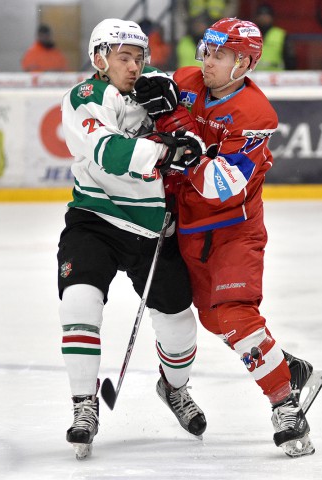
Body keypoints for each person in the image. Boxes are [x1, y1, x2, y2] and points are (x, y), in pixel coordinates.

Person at [133, 17, 322, 457]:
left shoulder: (255, 115)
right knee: (213, 319)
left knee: (236, 313)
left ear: (244, 64)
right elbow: (153, 125)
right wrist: (145, 93)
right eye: (207, 50)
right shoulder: (186, 81)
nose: (207, 61)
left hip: (235, 230)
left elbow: (220, 185)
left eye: (219, 55)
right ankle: (289, 369)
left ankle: (285, 405)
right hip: (190, 228)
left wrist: (175, 128)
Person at [57, 17, 207, 460]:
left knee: (180, 323)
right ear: (99, 58)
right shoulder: (85, 97)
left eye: (139, 57)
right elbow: (107, 151)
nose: (133, 66)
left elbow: (194, 135)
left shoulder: (157, 88)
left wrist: (180, 128)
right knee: (78, 301)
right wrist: (166, 150)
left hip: (152, 229)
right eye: (123, 57)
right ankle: (84, 404)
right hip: (96, 220)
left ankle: (174, 388)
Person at [254, 5, 296, 70]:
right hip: (254, 74)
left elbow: (290, 59)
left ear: (272, 17)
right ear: (256, 17)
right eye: (261, 14)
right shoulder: (251, 34)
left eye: (267, 14)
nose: (264, 17)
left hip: (276, 74)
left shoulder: (281, 34)